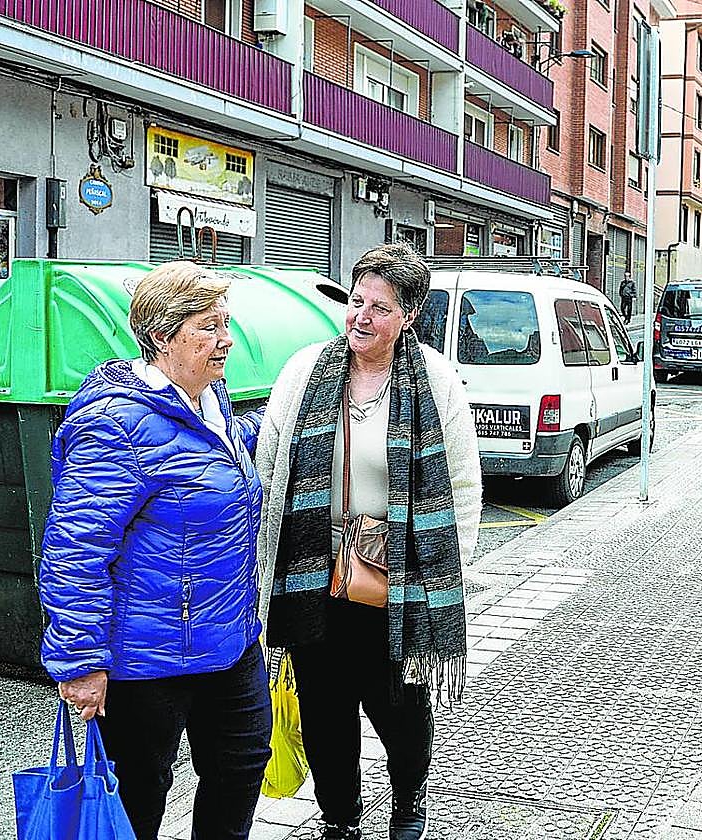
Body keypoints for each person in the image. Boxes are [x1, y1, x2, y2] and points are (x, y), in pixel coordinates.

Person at [256, 242, 482, 840]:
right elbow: (272, 457)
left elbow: (460, 478)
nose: (361, 316)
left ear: (408, 314)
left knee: (401, 709)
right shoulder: (307, 369)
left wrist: (448, 568)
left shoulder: (434, 379)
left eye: (380, 307)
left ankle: (409, 806)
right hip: (315, 572)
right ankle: (339, 819)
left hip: (400, 580)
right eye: (356, 301)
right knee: (325, 711)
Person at [39, 262, 271, 840]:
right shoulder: (114, 424)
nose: (226, 341)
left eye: (227, 324)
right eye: (209, 328)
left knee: (241, 767)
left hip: (230, 642)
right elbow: (75, 549)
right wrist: (79, 663)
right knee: (138, 798)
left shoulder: (212, 401)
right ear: (163, 338)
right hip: (147, 660)